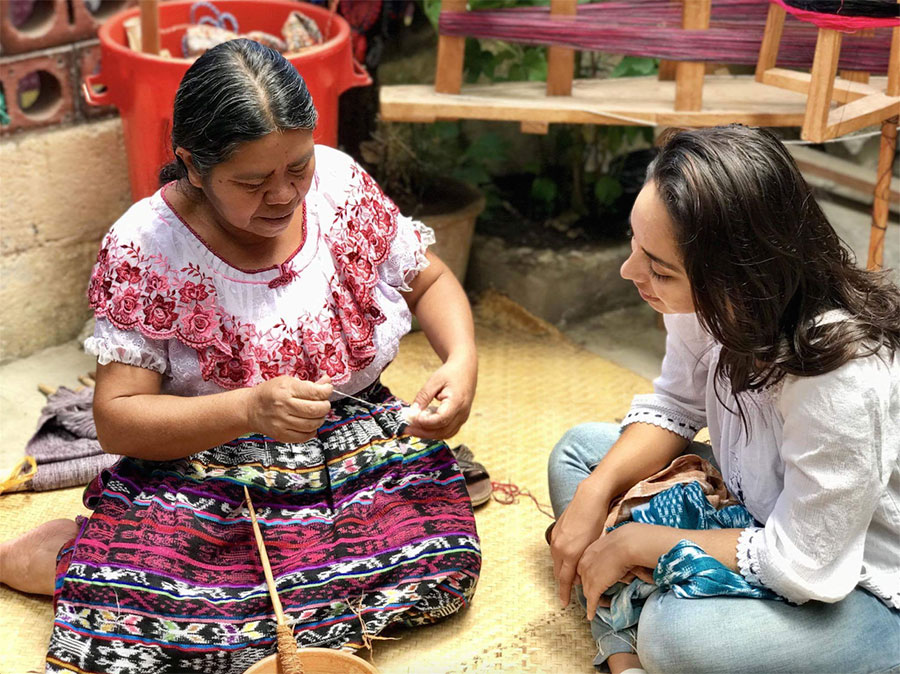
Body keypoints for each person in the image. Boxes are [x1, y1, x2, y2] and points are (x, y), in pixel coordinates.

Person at [0, 39, 481, 674]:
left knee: (440, 572)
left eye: (296, 168)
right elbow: (117, 418)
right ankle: (69, 552)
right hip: (210, 457)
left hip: (351, 432)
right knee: (170, 618)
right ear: (193, 167)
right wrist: (249, 408)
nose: (283, 196)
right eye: (252, 181)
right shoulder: (148, 247)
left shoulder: (337, 184)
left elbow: (432, 281)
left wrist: (461, 361)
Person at [547, 125, 900, 674]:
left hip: (859, 582)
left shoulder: (838, 378)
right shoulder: (711, 305)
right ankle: (623, 647)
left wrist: (642, 542)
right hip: (757, 511)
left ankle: (627, 632)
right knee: (580, 458)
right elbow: (676, 407)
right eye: (636, 246)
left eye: (659, 269)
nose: (629, 272)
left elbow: (803, 564)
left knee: (677, 638)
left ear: (739, 279)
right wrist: (597, 492)